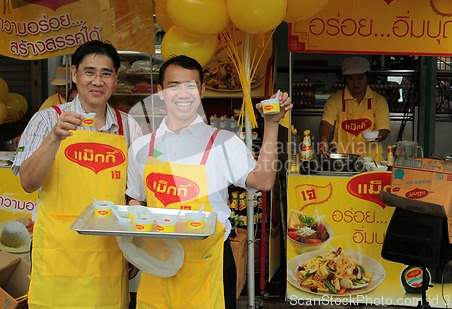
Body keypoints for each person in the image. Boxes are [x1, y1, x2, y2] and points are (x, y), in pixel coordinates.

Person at [125, 55, 292, 309]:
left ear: (201, 91)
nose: (183, 94)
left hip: (210, 262)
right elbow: (135, 197)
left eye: (191, 85)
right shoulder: (141, 147)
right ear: (160, 93)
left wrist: (271, 124)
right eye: (174, 86)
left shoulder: (223, 142)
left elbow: (264, 180)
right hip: (159, 260)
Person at [11, 40, 143, 309]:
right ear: (74, 75)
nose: (97, 80)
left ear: (115, 80)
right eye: (89, 71)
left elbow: (135, 196)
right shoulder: (47, 120)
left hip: (108, 256)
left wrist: (136, 247)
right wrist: (54, 138)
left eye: (106, 73)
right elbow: (28, 182)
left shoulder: (128, 127)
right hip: (58, 253)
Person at [319, 56, 390, 161]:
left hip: (371, 161)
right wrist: (323, 139)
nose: (356, 83)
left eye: (360, 78)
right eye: (351, 78)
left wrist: (378, 136)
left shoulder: (379, 101)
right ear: (345, 79)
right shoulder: (335, 100)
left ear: (367, 77)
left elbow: (384, 129)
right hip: (342, 160)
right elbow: (326, 123)